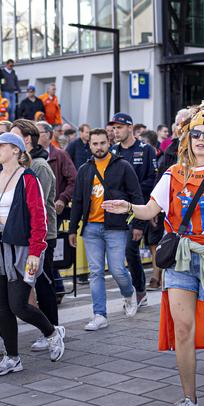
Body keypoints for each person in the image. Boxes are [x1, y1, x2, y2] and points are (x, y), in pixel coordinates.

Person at [102, 100, 204, 406]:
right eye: (195, 134)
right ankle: (189, 399)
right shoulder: (173, 174)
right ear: (187, 138)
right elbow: (150, 209)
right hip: (182, 260)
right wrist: (129, 207)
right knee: (183, 331)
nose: (200, 140)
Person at [0, 133, 65, 375]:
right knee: (2, 307)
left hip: (22, 249)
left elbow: (39, 217)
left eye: (1, 146)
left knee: (18, 305)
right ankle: (12, 357)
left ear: (16, 150)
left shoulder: (28, 178)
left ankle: (52, 332)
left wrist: (36, 252)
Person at [68, 128, 143, 331]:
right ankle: (99, 315)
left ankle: (129, 293)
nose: (99, 147)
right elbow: (77, 200)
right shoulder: (85, 169)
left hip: (116, 227)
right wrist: (72, 229)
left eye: (102, 143)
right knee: (96, 272)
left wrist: (138, 224)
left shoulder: (123, 166)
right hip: (91, 227)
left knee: (118, 269)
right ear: (89, 145)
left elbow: (136, 196)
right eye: (95, 144)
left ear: (108, 143)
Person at [109, 113, 159, 306]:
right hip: (116, 209)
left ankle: (139, 291)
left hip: (139, 207)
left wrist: (140, 220)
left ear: (130, 128)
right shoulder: (112, 150)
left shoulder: (146, 150)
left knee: (131, 250)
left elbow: (152, 182)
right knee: (120, 254)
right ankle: (133, 289)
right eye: (114, 128)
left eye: (119, 127)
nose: (116, 131)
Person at [37, 121, 76, 295]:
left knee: (47, 250)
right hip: (36, 210)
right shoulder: (28, 156)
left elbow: (73, 180)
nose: (35, 136)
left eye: (39, 132)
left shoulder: (60, 155)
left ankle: (56, 289)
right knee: (42, 251)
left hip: (53, 211)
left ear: (49, 135)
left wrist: (62, 198)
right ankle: (54, 288)